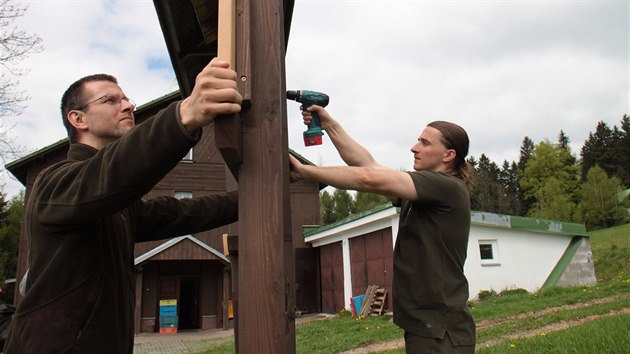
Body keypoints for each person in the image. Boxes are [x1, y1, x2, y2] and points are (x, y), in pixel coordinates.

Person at [3, 57, 243, 354]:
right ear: (78, 119)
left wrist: (254, 195)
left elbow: (184, 211)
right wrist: (183, 115)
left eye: (127, 98)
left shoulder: (120, 206)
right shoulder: (53, 184)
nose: (129, 105)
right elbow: (111, 173)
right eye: (111, 100)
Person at [289, 106, 476, 353]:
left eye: (425, 143)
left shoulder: (446, 187)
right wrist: (329, 124)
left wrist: (304, 171)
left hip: (442, 332)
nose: (414, 147)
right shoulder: (424, 191)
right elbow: (367, 164)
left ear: (448, 155)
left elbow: (368, 178)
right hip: (430, 328)